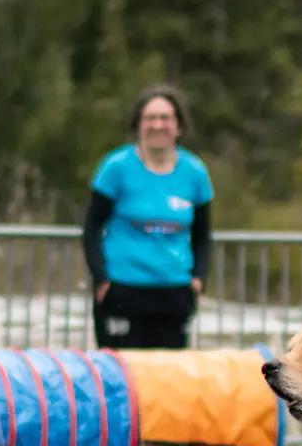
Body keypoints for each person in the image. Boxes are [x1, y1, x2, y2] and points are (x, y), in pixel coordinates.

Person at [83, 85, 214, 350]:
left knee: (169, 380)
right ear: (139, 124)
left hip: (174, 291)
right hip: (124, 288)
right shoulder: (116, 167)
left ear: (178, 125)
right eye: (150, 118)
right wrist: (101, 280)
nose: (158, 124)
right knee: (122, 377)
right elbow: (91, 228)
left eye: (165, 117)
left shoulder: (195, 172)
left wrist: (198, 279)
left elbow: (202, 234)